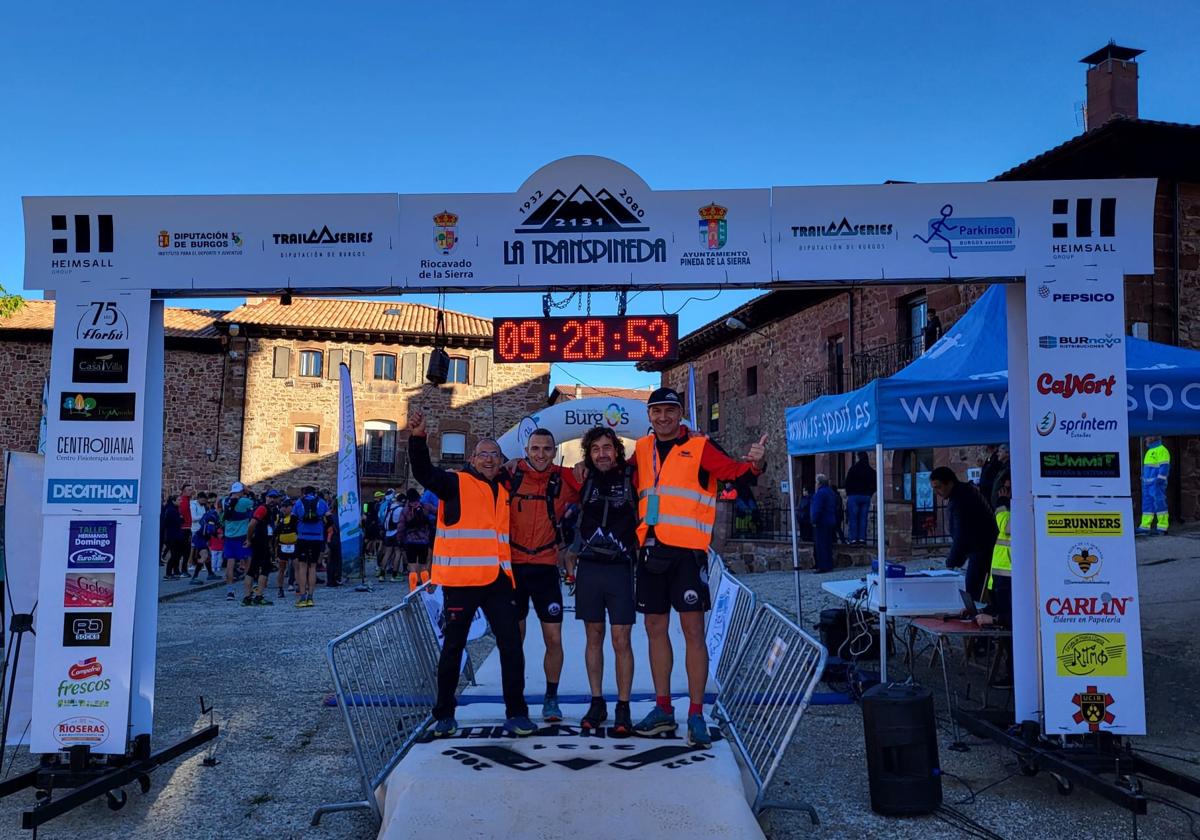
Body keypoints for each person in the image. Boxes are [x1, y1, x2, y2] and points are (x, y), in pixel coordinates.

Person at [632, 387, 765, 747]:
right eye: (656, 412)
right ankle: (662, 708)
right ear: (649, 416)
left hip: (688, 555)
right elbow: (617, 476)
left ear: (680, 415)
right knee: (654, 628)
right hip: (650, 550)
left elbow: (737, 472)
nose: (663, 418)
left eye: (669, 411)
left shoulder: (701, 446)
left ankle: (695, 712)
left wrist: (756, 463)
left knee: (693, 631)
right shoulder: (641, 450)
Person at [408, 410, 533, 738]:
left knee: (511, 647)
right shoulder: (454, 483)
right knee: (453, 648)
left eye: (495, 455)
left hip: (498, 581)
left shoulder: (505, 488)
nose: (490, 460)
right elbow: (423, 471)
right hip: (461, 583)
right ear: (472, 459)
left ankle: (517, 713)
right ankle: (444, 714)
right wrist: (418, 438)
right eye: (483, 455)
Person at [504, 428, 580, 723]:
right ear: (526, 449)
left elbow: (596, 484)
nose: (540, 454)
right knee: (515, 638)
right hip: (514, 568)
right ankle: (516, 696)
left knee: (553, 638)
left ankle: (551, 697)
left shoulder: (563, 479)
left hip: (546, 568)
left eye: (546, 449)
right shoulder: (510, 475)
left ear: (554, 451)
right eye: (535, 448)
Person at [571, 426, 638, 735]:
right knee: (594, 637)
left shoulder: (631, 476)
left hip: (620, 568)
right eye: (595, 448)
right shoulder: (581, 478)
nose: (602, 453)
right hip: (589, 568)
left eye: (607, 447)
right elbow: (542, 471)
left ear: (617, 450)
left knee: (621, 640)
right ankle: (597, 702)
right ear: (588, 452)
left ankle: (623, 706)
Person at [929, 466, 998, 602]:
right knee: (975, 590)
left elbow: (962, 534)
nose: (937, 492)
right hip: (980, 549)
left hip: (981, 550)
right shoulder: (964, 493)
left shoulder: (962, 499)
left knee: (974, 592)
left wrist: (953, 560)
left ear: (950, 483)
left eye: (938, 487)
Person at [292, 485, 330, 607]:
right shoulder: (322, 502)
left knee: (302, 567)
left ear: (304, 493)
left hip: (303, 537)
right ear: (315, 493)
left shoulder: (299, 502)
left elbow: (293, 520)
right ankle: (311, 597)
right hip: (317, 537)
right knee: (313, 567)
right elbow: (330, 520)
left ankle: (302, 596)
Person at [242, 490, 280, 606]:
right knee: (265, 569)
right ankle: (258, 596)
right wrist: (248, 539)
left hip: (262, 541)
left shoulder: (270, 510)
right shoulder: (263, 509)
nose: (272, 500)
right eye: (270, 497)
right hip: (260, 542)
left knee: (253, 569)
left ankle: (247, 597)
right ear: (266, 498)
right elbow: (252, 524)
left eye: (275, 497)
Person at [222, 482, 256, 600]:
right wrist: (249, 491)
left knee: (230, 564)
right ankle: (248, 589)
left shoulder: (224, 501)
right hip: (242, 535)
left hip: (229, 536)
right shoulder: (244, 502)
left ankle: (230, 591)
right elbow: (255, 501)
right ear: (241, 491)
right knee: (248, 562)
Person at [1138, 435, 1170, 535]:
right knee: (1147, 505)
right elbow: (1149, 468)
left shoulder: (1161, 450)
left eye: (1147, 437)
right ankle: (1145, 526)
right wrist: (1144, 478)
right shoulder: (1150, 450)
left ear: (1153, 438)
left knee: (1159, 503)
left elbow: (1164, 466)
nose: (1145, 439)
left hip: (1156, 483)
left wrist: (1159, 479)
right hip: (1148, 484)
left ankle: (1162, 528)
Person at [843, 451, 876, 545]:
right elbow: (875, 484)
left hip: (854, 496)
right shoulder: (871, 471)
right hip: (866, 496)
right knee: (863, 518)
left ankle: (853, 539)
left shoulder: (853, 469)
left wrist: (848, 493)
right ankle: (862, 539)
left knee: (853, 518)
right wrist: (870, 493)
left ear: (858, 457)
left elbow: (847, 482)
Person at [400, 488, 432, 578]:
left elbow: (401, 527)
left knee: (412, 565)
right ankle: (424, 587)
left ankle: (414, 588)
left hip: (410, 541)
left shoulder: (405, 510)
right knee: (423, 565)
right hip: (424, 541)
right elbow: (437, 512)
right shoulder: (425, 506)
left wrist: (400, 540)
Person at [810, 475, 837, 573]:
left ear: (819, 483)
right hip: (830, 520)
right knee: (827, 544)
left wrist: (814, 520)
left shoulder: (820, 494)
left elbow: (817, 508)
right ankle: (828, 564)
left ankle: (822, 566)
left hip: (822, 522)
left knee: (821, 545)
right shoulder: (831, 492)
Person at [161, 495, 187, 579]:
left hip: (176, 535)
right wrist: (180, 519)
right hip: (172, 536)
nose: (181, 501)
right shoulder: (171, 510)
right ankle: (168, 573)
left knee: (177, 555)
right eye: (179, 500)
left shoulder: (175, 510)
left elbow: (182, 520)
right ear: (173, 501)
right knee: (174, 555)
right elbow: (178, 521)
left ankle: (174, 571)